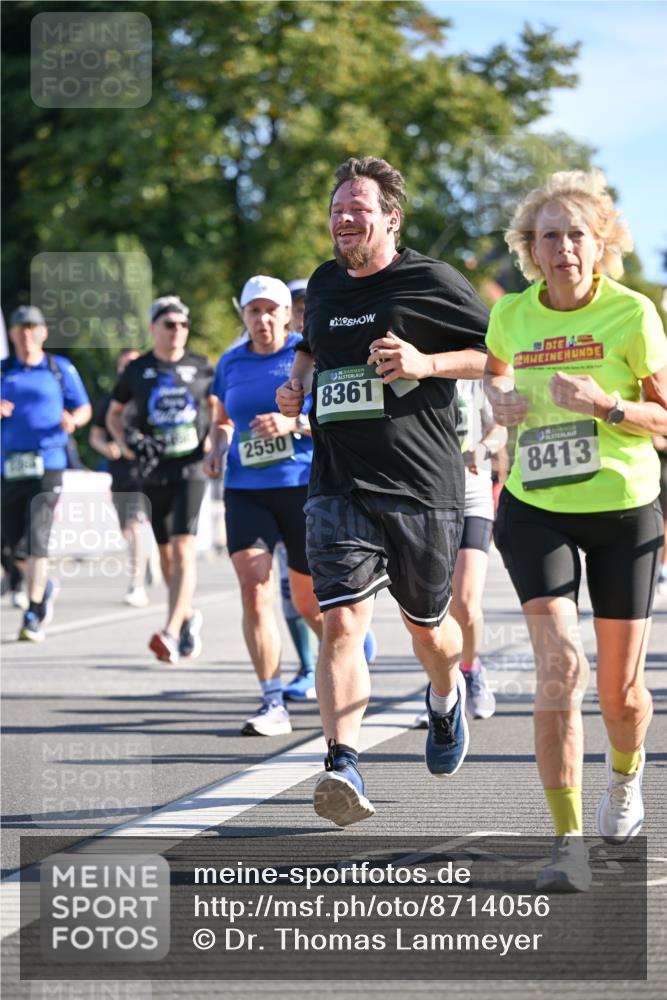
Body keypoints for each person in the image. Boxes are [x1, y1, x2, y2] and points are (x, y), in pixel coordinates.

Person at [276, 156, 488, 826]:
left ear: (389, 219)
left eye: (357, 206)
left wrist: (426, 363)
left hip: (420, 483)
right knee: (340, 620)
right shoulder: (323, 283)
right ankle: (342, 763)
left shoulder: (429, 280)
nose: (343, 217)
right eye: (337, 206)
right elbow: (310, 346)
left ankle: (445, 693)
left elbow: (499, 353)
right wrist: (297, 379)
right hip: (337, 481)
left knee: (428, 627)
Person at [484, 168, 667, 892]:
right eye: (548, 236)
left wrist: (607, 407)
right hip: (536, 506)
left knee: (620, 695)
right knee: (561, 670)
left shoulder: (632, 316)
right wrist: (498, 403)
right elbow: (495, 374)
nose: (562, 248)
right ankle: (566, 844)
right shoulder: (512, 316)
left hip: (622, 510)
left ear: (601, 246)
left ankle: (624, 778)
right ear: (530, 248)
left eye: (576, 236)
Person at [205, 275, 322, 735]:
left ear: (286, 313)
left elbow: (331, 417)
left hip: (301, 486)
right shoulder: (230, 361)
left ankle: (348, 649)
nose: (263, 319)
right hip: (246, 489)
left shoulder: (307, 353)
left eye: (271, 310)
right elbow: (222, 419)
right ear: (245, 317)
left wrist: (293, 424)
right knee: (255, 589)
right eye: (254, 311)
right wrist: (215, 446)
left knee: (311, 600)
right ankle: (273, 701)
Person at [107, 296, 214, 663]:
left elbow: (219, 409)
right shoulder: (137, 370)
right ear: (154, 328)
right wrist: (128, 444)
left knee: (184, 548)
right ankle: (187, 618)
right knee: (167, 555)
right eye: (170, 324)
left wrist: (214, 442)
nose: (178, 331)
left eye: (183, 324)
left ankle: (168, 631)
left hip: (191, 468)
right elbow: (114, 414)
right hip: (153, 469)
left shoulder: (201, 366)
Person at [414, 379, 506, 726]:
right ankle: (441, 687)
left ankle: (470, 669)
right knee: (427, 609)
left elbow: (501, 429)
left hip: (472, 496)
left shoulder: (474, 373)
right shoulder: (413, 367)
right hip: (425, 499)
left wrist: (483, 449)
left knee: (465, 602)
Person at [1, 305, 91, 641]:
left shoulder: (58, 369)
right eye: (20, 329)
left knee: (37, 536)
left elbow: (83, 407)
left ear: (43, 332)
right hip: (8, 465)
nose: (26, 335)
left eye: (32, 328)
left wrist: (74, 420)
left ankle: (33, 611)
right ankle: (43, 584)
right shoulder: (2, 370)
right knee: (10, 543)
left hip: (48, 463)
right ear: (11, 334)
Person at [89, 348, 152, 607]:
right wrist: (108, 448)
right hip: (120, 472)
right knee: (127, 528)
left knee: (137, 524)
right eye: (124, 365)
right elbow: (95, 436)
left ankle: (136, 585)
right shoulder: (109, 401)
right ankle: (148, 560)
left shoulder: (149, 396)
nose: (128, 369)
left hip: (147, 468)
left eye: (133, 364)